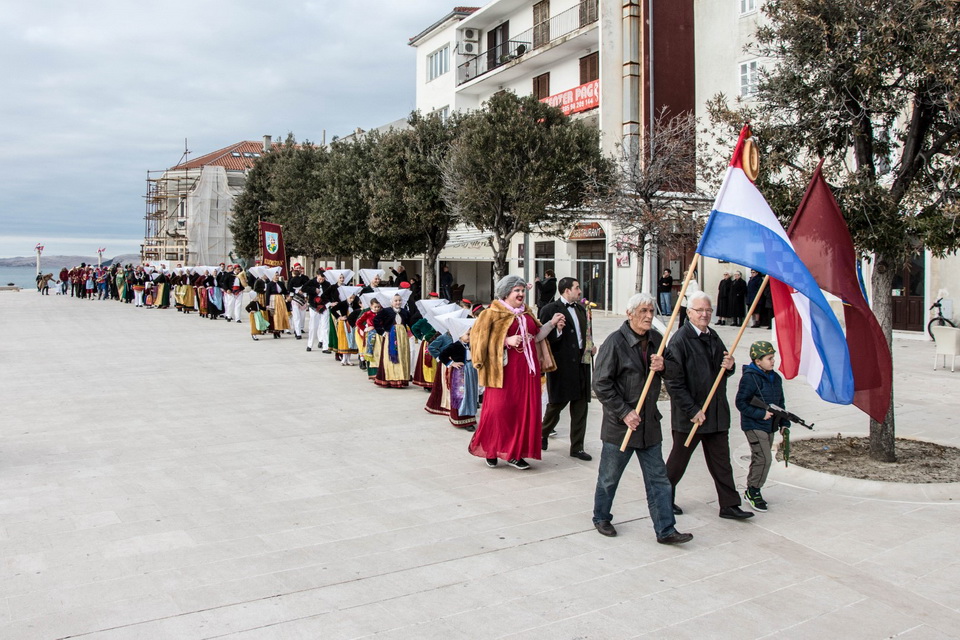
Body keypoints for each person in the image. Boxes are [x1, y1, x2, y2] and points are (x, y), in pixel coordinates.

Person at [592, 292, 693, 544]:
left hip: (649, 426)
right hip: (620, 427)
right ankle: (601, 516)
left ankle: (665, 529)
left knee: (659, 480)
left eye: (651, 311)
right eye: (643, 311)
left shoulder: (657, 340)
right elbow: (601, 384)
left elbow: (676, 372)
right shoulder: (615, 343)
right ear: (630, 314)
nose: (649, 316)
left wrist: (664, 366)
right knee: (609, 478)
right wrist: (624, 412)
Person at [664, 292, 753, 520]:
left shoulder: (713, 336)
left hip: (716, 413)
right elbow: (673, 382)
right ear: (689, 312)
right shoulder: (679, 341)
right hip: (691, 416)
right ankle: (663, 499)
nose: (704, 314)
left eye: (708, 310)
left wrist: (730, 366)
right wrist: (692, 410)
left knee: (722, 463)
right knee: (677, 462)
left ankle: (729, 505)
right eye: (699, 310)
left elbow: (721, 369)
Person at [468, 275, 563, 470]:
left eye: (522, 290)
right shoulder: (491, 313)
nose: (521, 294)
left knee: (521, 413)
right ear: (506, 293)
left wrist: (551, 324)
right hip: (503, 372)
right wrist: (506, 341)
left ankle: (515, 453)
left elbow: (537, 337)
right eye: (516, 291)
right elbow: (477, 341)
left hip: (527, 371)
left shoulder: (526, 313)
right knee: (497, 411)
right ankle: (491, 449)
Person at [538, 277, 594, 461]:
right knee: (556, 405)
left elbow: (585, 334)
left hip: (581, 363)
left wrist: (590, 347)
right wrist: (558, 330)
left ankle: (577, 447)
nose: (580, 291)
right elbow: (543, 339)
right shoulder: (549, 310)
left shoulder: (581, 309)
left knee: (580, 407)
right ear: (567, 290)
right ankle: (542, 434)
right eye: (577, 288)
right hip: (562, 365)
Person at [735, 341, 788, 512]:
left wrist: (784, 423)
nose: (773, 361)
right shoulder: (750, 378)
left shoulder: (775, 378)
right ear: (758, 361)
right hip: (754, 424)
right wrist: (760, 414)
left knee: (760, 458)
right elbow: (740, 402)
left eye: (773, 357)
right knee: (764, 458)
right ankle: (753, 491)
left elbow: (780, 403)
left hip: (770, 425)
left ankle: (752, 487)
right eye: (769, 358)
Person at [437, 317, 479, 431]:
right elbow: (442, 355)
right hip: (460, 373)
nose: (469, 337)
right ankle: (460, 419)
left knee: (470, 394)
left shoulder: (471, 345)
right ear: (460, 334)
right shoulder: (455, 345)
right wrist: (452, 363)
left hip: (471, 371)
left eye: (470, 334)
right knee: (460, 395)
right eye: (468, 334)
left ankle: (470, 419)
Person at [372, 293, 412, 388]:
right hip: (390, 337)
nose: (398, 302)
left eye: (399, 300)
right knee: (390, 356)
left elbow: (410, 323)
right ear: (391, 302)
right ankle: (392, 379)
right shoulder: (386, 311)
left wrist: (412, 334)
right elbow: (376, 321)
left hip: (402, 338)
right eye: (396, 300)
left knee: (402, 356)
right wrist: (382, 332)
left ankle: (401, 378)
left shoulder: (405, 312)